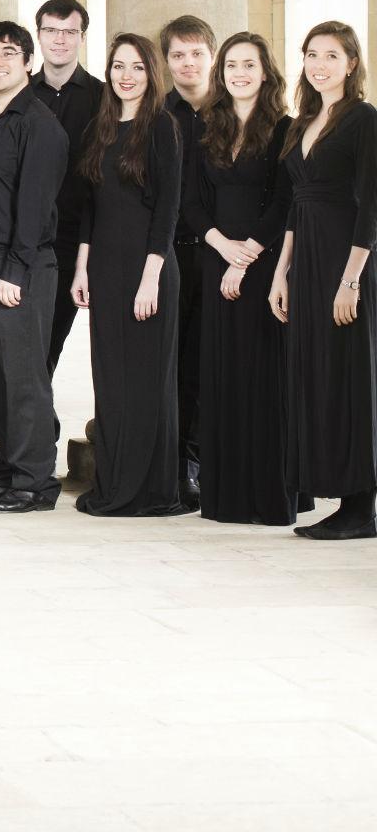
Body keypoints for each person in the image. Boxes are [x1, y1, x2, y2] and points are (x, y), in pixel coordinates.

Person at [0, 20, 72, 514]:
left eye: (8, 53)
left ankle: (35, 482)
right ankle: (6, 470)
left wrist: (15, 272)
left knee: (25, 379)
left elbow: (35, 207)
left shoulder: (40, 124)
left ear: (28, 61)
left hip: (19, 267)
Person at [267, 21, 377, 540]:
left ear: (351, 63)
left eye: (331, 55)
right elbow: (295, 203)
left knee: (351, 378)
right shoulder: (301, 122)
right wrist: (280, 273)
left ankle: (361, 506)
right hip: (306, 261)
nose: (319, 64)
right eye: (311, 54)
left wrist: (351, 280)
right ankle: (338, 493)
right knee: (316, 375)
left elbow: (371, 206)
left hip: (346, 261)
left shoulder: (363, 119)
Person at [70, 34, 187, 517]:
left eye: (137, 67)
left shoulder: (162, 127)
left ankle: (151, 491)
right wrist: (82, 268)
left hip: (149, 269)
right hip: (104, 268)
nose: (126, 75)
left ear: (151, 74)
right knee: (111, 381)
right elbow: (88, 210)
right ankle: (113, 482)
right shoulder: (97, 130)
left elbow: (168, 209)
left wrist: (150, 276)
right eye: (119, 66)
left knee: (147, 382)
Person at [189, 33, 303, 526]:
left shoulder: (285, 129)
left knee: (264, 378)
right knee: (222, 376)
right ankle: (227, 497)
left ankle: (268, 495)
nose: (239, 73)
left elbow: (285, 202)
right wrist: (221, 248)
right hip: (217, 261)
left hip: (265, 266)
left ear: (266, 73)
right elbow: (191, 203)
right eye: (232, 64)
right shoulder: (205, 128)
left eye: (249, 65)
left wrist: (247, 255)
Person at [25, 0, 103, 380]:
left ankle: (35, 436)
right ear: (38, 36)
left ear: (82, 37)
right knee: (24, 346)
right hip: (24, 239)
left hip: (77, 239)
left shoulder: (104, 98)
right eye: (52, 31)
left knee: (50, 343)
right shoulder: (20, 94)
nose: (60, 39)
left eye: (69, 31)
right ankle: (33, 435)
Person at [161, 14, 217, 507]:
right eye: (177, 54)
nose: (187, 62)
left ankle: (207, 462)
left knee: (213, 363)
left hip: (225, 259)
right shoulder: (160, 116)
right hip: (175, 255)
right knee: (177, 365)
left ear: (211, 57)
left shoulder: (237, 111)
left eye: (196, 53)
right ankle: (180, 467)